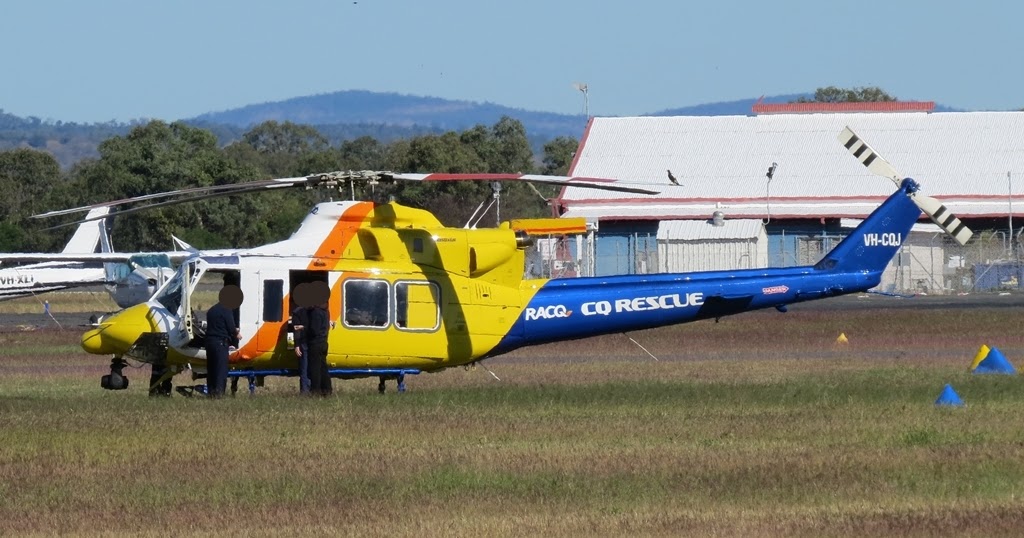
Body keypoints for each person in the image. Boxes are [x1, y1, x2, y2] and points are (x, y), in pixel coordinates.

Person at [205, 284, 243, 397]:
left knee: (211, 368)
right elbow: (230, 326)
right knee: (220, 369)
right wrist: (237, 334)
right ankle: (219, 393)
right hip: (220, 343)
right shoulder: (226, 310)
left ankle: (211, 392)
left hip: (209, 342)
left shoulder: (211, 310)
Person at [304, 280, 333, 396]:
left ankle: (315, 391)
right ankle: (327, 389)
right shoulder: (325, 311)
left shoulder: (315, 312)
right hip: (324, 341)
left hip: (315, 343)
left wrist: (305, 329)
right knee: (323, 367)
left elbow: (314, 330)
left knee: (315, 368)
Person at [290, 283, 312, 395]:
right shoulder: (312, 310)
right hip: (310, 342)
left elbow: (297, 329)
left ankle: (306, 390)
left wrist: (296, 345)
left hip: (306, 342)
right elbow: (296, 329)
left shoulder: (297, 312)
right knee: (308, 368)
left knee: (305, 367)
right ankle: (307, 390)